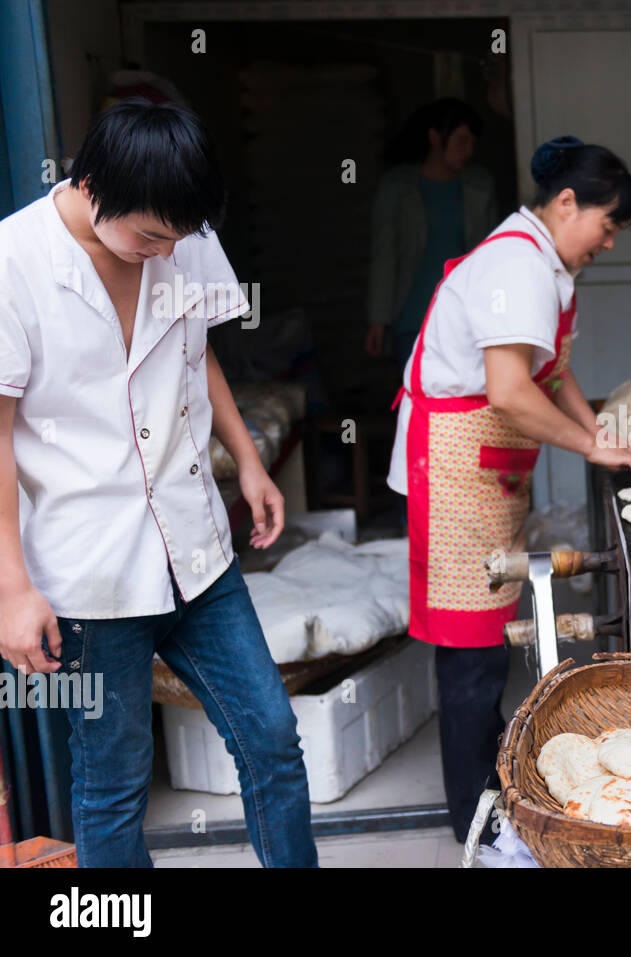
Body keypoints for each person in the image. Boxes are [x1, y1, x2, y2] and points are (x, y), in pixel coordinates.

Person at [0, 100, 317, 867]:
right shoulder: (14, 261)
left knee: (272, 739)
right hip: (89, 576)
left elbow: (193, 344)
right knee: (111, 787)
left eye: (176, 239)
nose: (163, 251)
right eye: (149, 237)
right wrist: (11, 587)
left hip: (196, 549)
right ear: (93, 186)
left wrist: (245, 456)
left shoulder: (180, 233)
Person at [386, 135, 631, 842]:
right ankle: (475, 821)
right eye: (606, 227)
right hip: (451, 469)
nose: (607, 244)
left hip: (486, 469)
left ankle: (494, 786)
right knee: (471, 650)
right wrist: (587, 444)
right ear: (567, 203)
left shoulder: (545, 261)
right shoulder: (516, 262)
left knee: (487, 639)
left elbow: (553, 369)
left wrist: (596, 435)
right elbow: (509, 390)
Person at [365, 99, 500, 362]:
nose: (469, 150)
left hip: (466, 320)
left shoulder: (480, 187)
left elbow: (492, 256)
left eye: (473, 143)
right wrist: (378, 321)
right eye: (461, 140)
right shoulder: (397, 188)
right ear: (435, 137)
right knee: (420, 398)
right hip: (413, 319)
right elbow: (384, 256)